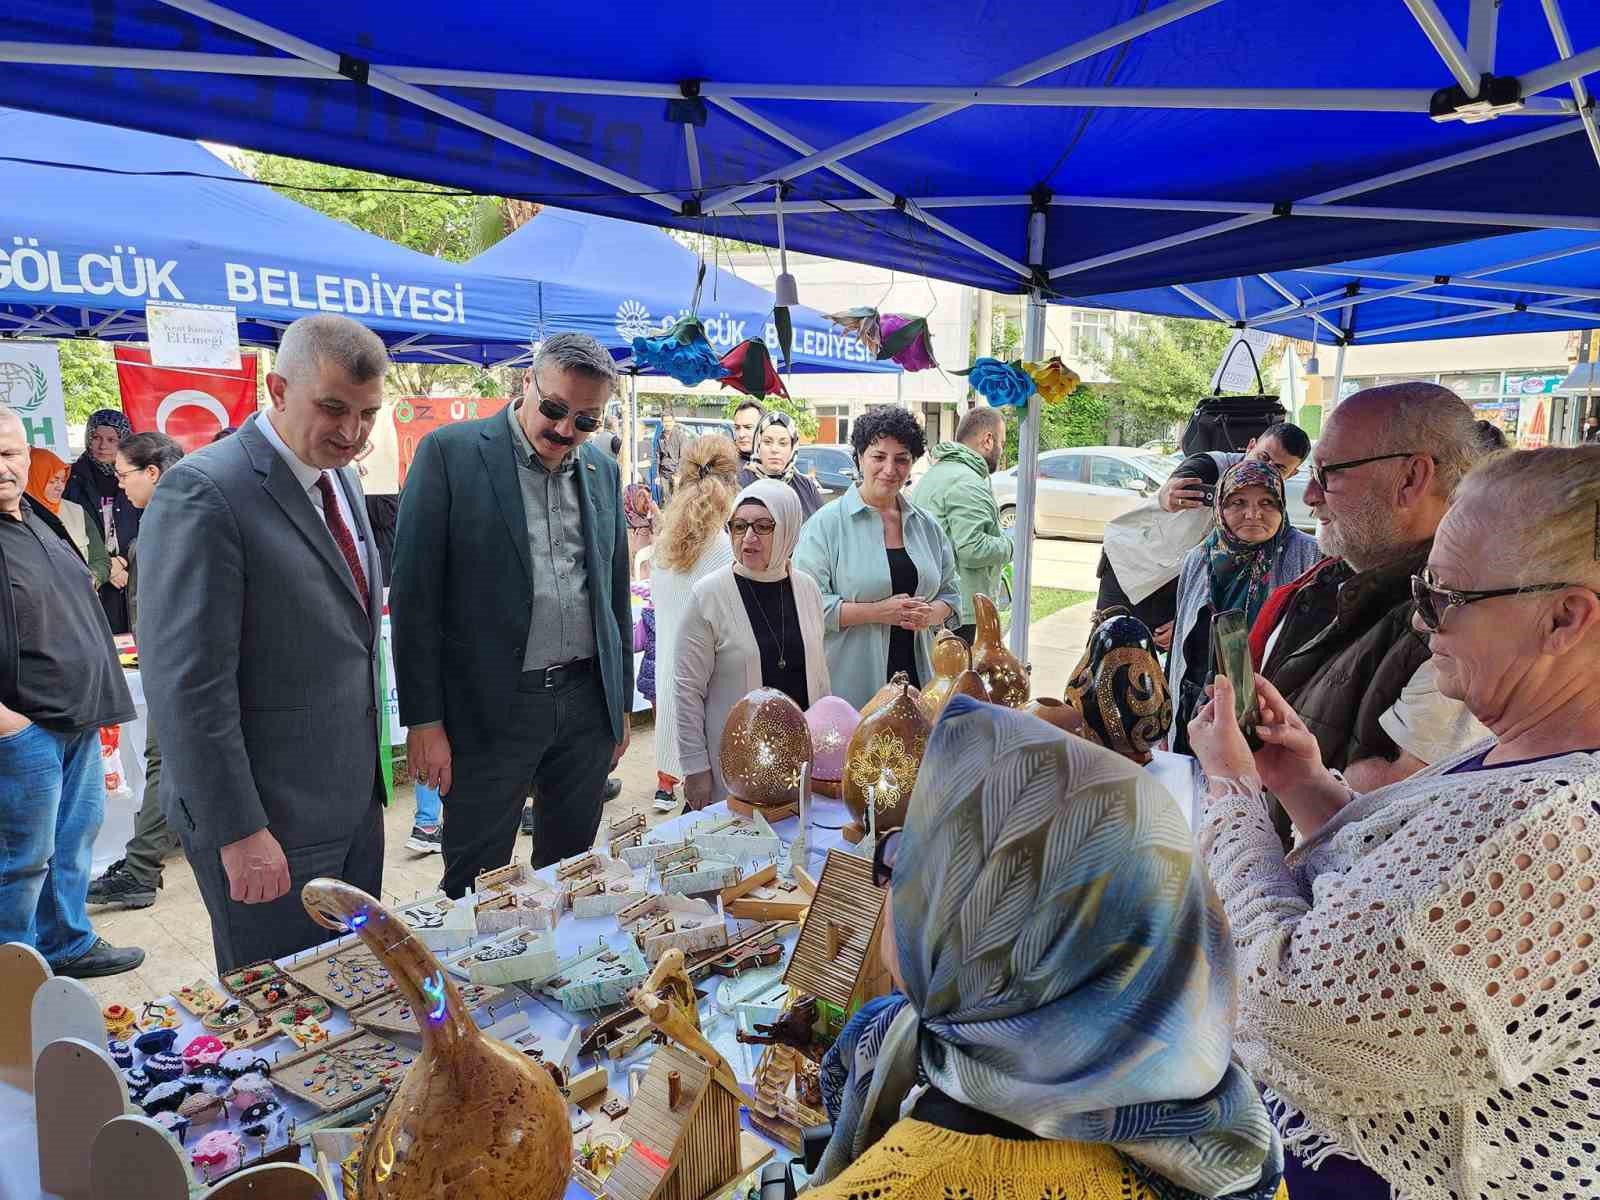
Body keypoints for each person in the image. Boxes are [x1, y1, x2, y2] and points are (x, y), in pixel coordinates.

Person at [1187, 445, 1600, 1200]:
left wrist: (1233, 795)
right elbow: (1398, 889)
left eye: (1447, 596)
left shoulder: (1564, 831)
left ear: (1564, 618)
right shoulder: (1533, 753)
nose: (1421, 615)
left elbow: (1287, 1014)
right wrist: (1308, 784)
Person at [809, 695, 1285, 1200]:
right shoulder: (1237, 1151)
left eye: (913, 859)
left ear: (987, 937)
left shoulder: (895, 1185)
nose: (888, 881)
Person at [138, 315, 388, 972]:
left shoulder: (342, 478)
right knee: (286, 1020)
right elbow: (187, 683)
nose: (351, 433)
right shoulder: (205, 492)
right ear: (276, 390)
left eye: (367, 414)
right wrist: (239, 830)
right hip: (267, 822)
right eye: (332, 408)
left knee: (353, 994)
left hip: (351, 808)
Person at [392, 332, 632, 898]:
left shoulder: (601, 470)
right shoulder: (449, 454)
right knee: (478, 882)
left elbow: (612, 594)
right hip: (490, 708)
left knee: (572, 873)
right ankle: (473, 989)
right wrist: (424, 721)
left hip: (584, 705)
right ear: (526, 382)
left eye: (586, 420)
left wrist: (616, 703)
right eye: (554, 409)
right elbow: (414, 597)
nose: (565, 430)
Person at [1252, 383, 1486, 798]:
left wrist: (1241, 788)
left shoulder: (1468, 614)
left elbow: (1396, 798)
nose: (1309, 496)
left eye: (1329, 474)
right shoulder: (1335, 579)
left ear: (1411, 479)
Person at [0, 405, 144, 978]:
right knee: (21, 860)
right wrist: (8, 722)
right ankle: (14, 976)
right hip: (23, 728)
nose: (3, 468)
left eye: (10, 453)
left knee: (71, 842)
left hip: (75, 717)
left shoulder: (33, 513)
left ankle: (65, 944)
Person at [675, 479, 830, 810]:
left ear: (787, 529)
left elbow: (820, 677)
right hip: (735, 767)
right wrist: (695, 768)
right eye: (739, 526)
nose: (748, 538)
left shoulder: (807, 589)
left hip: (797, 764)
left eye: (763, 527)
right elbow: (687, 690)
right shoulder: (709, 595)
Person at [795, 407, 959, 710]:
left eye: (901, 459)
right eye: (879, 456)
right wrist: (879, 612)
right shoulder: (825, 526)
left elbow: (951, 594)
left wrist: (931, 613)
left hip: (920, 683)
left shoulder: (927, 526)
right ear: (859, 457)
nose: (890, 468)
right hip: (850, 691)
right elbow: (808, 607)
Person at [1098, 422, 1310, 647]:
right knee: (1106, 653)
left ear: (1292, 474)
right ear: (1251, 445)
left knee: (1154, 670)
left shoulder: (1273, 514)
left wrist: (1185, 620)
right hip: (1130, 567)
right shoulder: (1211, 465)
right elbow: (1182, 479)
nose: (1265, 469)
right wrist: (1169, 495)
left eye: (1279, 468)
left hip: (1180, 582)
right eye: (1263, 457)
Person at [87, 431, 184, 910]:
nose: (120, 485)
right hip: (174, 670)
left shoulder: (172, 526)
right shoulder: (172, 520)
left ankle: (143, 867)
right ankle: (145, 863)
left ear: (153, 472)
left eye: (125, 474)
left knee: (165, 762)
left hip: (179, 675)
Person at [1167, 460, 1320, 751]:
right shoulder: (1198, 559)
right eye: (1238, 502)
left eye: (1267, 502)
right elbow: (1179, 647)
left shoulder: (1308, 556)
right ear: (1220, 508)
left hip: (1273, 711)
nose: (1253, 514)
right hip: (1199, 706)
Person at [649, 435, 739, 811]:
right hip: (707, 708)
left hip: (672, 700)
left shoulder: (664, 546)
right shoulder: (724, 549)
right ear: (733, 483)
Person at [908, 406, 1012, 644]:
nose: (1001, 450)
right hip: (960, 608)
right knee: (958, 680)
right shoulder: (967, 482)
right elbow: (972, 549)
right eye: (1002, 443)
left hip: (938, 601)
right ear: (988, 440)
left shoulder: (939, 473)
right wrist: (1010, 546)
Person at [64, 407, 141, 635]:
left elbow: (148, 524)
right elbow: (68, 527)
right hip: (92, 575)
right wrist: (107, 566)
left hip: (132, 573)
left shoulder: (134, 475)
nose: (102, 446)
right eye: (96, 437)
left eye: (112, 439)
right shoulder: (72, 478)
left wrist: (123, 561)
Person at [25, 447, 109, 586]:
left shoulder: (77, 512)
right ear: (34, 478)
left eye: (63, 480)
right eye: (52, 481)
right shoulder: (16, 515)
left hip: (80, 600)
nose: (59, 487)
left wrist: (92, 578)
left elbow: (101, 560)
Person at [737, 410, 824, 519]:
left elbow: (821, 527)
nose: (775, 449)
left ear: (792, 448)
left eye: (783, 443)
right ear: (758, 445)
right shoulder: (738, 484)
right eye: (767, 442)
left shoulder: (806, 486)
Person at [654, 409, 684, 504]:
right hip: (664, 473)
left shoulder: (680, 436)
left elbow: (683, 457)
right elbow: (658, 457)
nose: (667, 424)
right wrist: (657, 476)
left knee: (676, 501)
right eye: (665, 421)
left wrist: (678, 475)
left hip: (676, 473)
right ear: (662, 423)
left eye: (669, 421)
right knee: (665, 500)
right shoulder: (660, 437)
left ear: (674, 421)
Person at [731, 398, 764, 468]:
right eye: (737, 428)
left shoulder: (777, 463)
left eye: (748, 427)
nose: (741, 435)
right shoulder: (724, 463)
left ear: (763, 428)